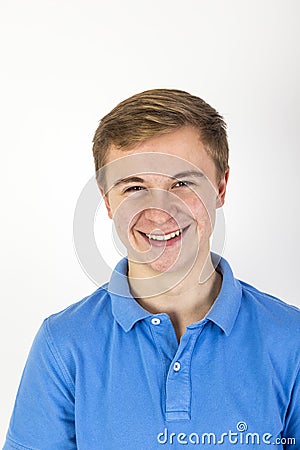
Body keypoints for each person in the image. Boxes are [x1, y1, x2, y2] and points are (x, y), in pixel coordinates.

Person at [3, 89, 300, 449]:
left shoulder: (291, 340)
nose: (160, 211)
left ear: (221, 187)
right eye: (134, 187)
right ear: (107, 201)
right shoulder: (63, 345)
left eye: (183, 183)